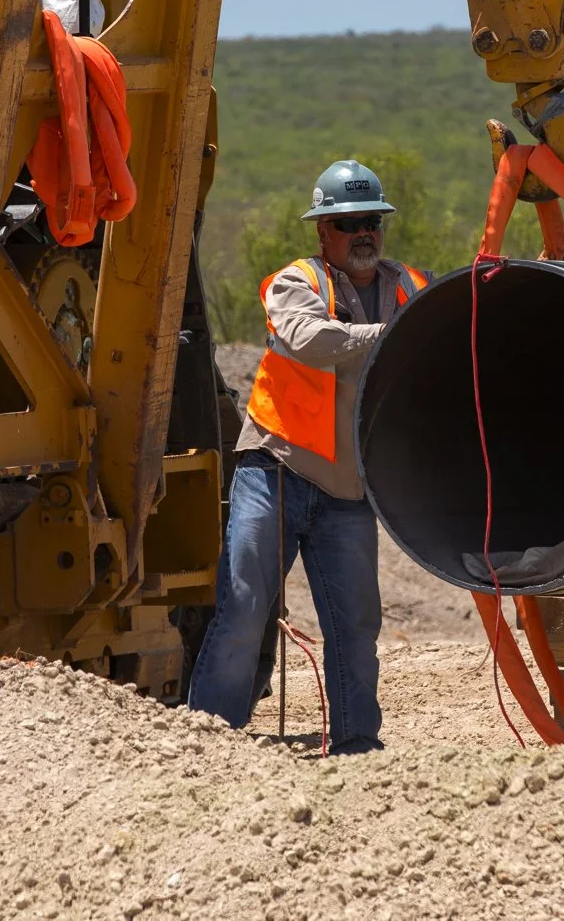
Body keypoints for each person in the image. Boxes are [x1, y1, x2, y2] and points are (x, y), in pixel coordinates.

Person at [188, 160, 430, 755]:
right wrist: (390, 337)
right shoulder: (297, 283)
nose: (363, 232)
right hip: (277, 471)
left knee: (354, 629)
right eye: (349, 223)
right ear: (324, 232)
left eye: (371, 219)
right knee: (244, 609)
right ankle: (208, 744)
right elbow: (311, 341)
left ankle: (355, 745)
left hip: (349, 490)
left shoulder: (410, 288)